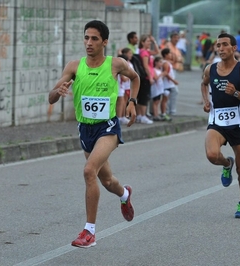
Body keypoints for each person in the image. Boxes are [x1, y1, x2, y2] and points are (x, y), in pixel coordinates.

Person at [48, 20, 139, 248]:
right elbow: (50, 97)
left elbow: (136, 77)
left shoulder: (115, 64)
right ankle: (124, 195)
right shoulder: (74, 66)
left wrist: (132, 102)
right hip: (85, 130)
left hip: (107, 127)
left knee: (89, 171)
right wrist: (57, 92)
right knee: (106, 180)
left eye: (94, 38)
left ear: (104, 42)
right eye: (86, 38)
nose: (89, 43)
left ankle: (89, 232)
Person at [200, 33, 240, 218]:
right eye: (218, 45)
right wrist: (206, 101)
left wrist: (237, 94)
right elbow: (204, 83)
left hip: (238, 124)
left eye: (225, 45)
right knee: (211, 155)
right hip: (217, 122)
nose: (221, 48)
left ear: (234, 48)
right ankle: (226, 163)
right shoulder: (211, 69)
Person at [137, 34, 160, 124]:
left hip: (147, 76)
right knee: (144, 97)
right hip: (146, 77)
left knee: (142, 96)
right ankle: (142, 115)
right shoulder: (144, 53)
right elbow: (146, 66)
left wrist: (154, 41)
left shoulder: (145, 51)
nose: (149, 43)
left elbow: (157, 52)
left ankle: (140, 115)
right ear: (142, 42)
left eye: (150, 41)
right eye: (148, 41)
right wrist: (150, 77)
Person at [150, 56, 165, 121]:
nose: (161, 64)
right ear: (156, 62)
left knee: (158, 101)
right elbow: (155, 78)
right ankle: (155, 115)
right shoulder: (153, 69)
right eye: (160, 62)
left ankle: (157, 114)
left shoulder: (160, 70)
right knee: (155, 101)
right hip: (156, 88)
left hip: (160, 87)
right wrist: (162, 74)